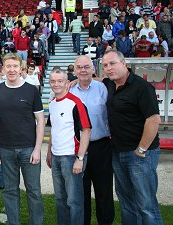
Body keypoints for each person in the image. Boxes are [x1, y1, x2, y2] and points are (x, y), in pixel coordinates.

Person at [101, 50, 163, 225]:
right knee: (126, 202)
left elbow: (153, 120)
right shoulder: (110, 84)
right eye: (105, 65)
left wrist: (141, 150)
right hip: (118, 152)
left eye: (112, 63)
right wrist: (75, 80)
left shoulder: (142, 87)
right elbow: (97, 80)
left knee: (146, 204)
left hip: (140, 154)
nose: (108, 68)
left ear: (124, 64)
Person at [0, 53, 45, 225]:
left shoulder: (31, 90)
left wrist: (37, 149)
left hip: (29, 149)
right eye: (8, 66)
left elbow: (40, 120)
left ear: (21, 69)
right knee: (10, 191)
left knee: (33, 191)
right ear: (3, 69)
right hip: (5, 148)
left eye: (15, 66)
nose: (11, 70)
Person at [70, 56, 114, 225]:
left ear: (94, 69)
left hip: (101, 147)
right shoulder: (69, 90)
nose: (83, 70)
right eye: (79, 67)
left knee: (104, 191)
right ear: (74, 70)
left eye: (87, 67)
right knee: (81, 193)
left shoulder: (103, 88)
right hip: (77, 149)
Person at [46, 68, 92, 225]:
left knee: (74, 200)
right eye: (53, 81)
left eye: (60, 81)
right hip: (56, 156)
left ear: (67, 83)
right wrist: (49, 152)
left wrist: (80, 158)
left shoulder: (76, 103)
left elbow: (86, 130)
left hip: (71, 157)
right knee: (60, 199)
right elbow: (54, 129)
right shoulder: (52, 104)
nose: (56, 84)